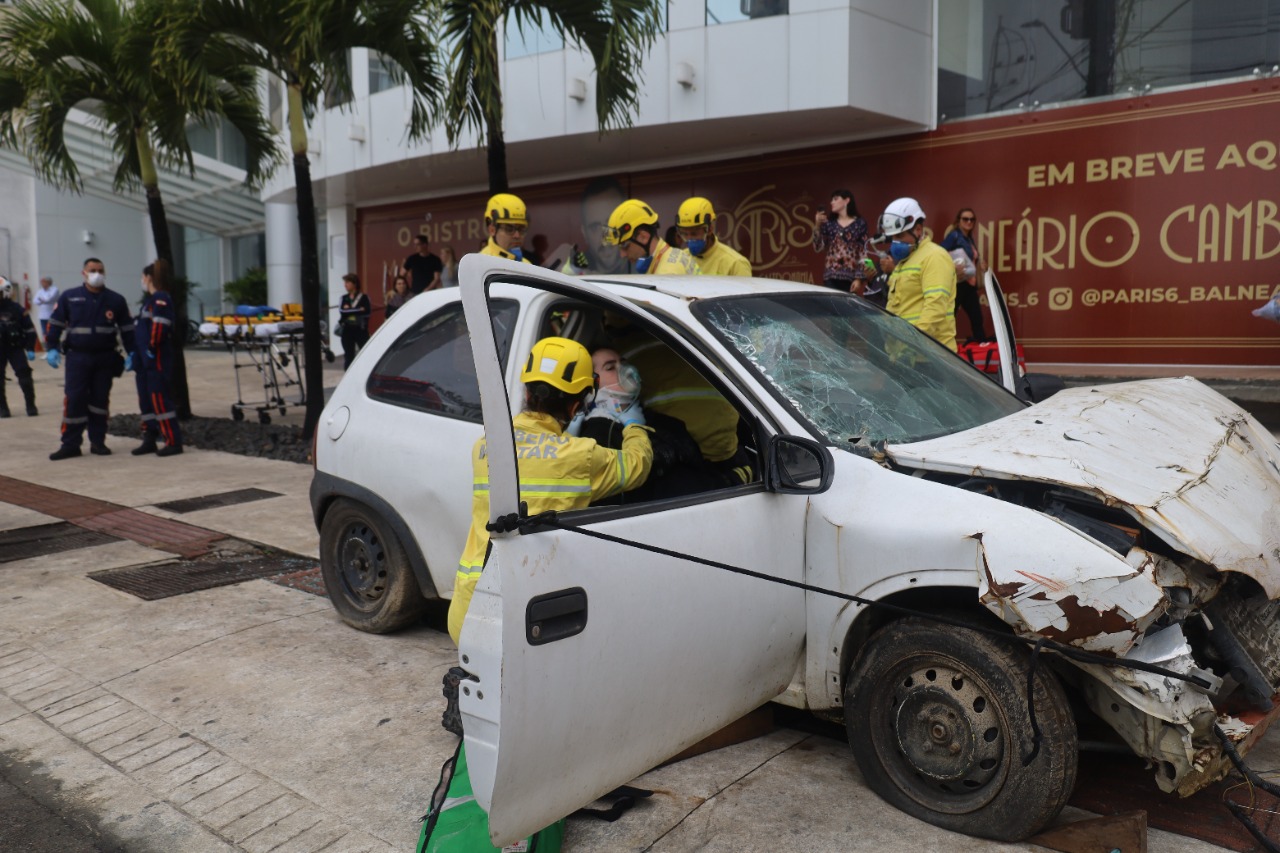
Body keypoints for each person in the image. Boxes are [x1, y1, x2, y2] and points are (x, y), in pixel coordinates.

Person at [447, 336, 653, 644]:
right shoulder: (580, 456)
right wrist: (634, 424)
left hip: (469, 607)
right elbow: (638, 465)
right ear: (577, 404)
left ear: (527, 392)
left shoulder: (485, 446)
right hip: (530, 616)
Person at [579, 348, 711, 501]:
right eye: (610, 367)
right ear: (591, 385)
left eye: (623, 362)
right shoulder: (598, 435)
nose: (623, 370)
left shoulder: (662, 420)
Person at [45, 257, 135, 460]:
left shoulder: (115, 300)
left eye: (100, 270)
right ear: (83, 273)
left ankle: (98, 442)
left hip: (104, 358)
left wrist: (133, 353)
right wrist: (51, 347)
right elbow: (55, 323)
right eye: (92, 270)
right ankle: (70, 444)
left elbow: (128, 329)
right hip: (78, 357)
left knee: (99, 401)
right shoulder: (70, 297)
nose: (97, 274)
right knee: (74, 400)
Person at [879, 197, 957, 352]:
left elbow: (935, 308)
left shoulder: (934, 256)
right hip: (904, 355)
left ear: (918, 230)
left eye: (900, 236)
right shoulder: (904, 261)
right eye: (892, 237)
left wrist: (911, 344)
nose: (895, 242)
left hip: (929, 356)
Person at [130, 260, 183, 456]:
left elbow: (160, 326)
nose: (142, 281)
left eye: (143, 277)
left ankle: (173, 441)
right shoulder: (149, 301)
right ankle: (149, 438)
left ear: (149, 278)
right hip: (145, 362)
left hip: (156, 359)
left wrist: (152, 346)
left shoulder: (160, 298)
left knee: (159, 399)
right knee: (146, 401)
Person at [602, 198, 700, 275]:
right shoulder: (673, 255)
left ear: (643, 237)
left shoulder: (667, 273)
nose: (622, 255)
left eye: (625, 246)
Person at [940, 207, 990, 342]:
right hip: (958, 283)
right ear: (958, 221)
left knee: (977, 317)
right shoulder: (954, 236)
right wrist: (953, 267)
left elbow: (971, 261)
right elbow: (940, 254)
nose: (969, 222)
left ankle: (981, 348)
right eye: (965, 219)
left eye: (972, 219)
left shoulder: (969, 239)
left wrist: (980, 264)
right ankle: (943, 346)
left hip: (969, 284)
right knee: (950, 316)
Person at [676, 197, 753, 276]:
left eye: (694, 233)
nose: (689, 239)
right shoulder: (680, 259)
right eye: (685, 234)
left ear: (710, 229)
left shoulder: (735, 264)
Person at [812, 189, 869, 292]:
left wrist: (859, 279)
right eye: (831, 200)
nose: (831, 202)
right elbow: (818, 247)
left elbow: (863, 252)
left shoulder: (860, 223)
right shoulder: (829, 224)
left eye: (835, 199)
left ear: (847, 200)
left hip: (850, 278)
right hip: (831, 277)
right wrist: (817, 225)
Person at [0, 276, 38, 418]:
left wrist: (30, 348)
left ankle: (30, 405)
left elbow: (29, 329)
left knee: (25, 376)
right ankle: (3, 408)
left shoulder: (17, 309)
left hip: (15, 347)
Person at [480, 193, 533, 263]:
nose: (517, 236)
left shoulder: (527, 264)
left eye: (521, 229)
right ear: (492, 230)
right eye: (509, 229)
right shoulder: (481, 264)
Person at [338, 273, 370, 369]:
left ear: (354, 283)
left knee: (365, 353)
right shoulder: (343, 298)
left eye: (347, 282)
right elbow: (342, 311)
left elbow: (367, 312)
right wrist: (358, 310)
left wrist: (349, 310)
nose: (345, 285)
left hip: (361, 329)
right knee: (349, 356)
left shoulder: (364, 297)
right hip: (347, 330)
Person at [33, 276, 59, 340]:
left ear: (48, 282)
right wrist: (42, 301)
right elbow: (35, 301)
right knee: (44, 331)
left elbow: (49, 299)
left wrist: (41, 300)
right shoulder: (40, 291)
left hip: (51, 314)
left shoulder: (54, 290)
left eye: (44, 282)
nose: (42, 284)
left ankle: (52, 344)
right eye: (42, 282)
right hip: (42, 315)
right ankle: (46, 343)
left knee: (51, 331)